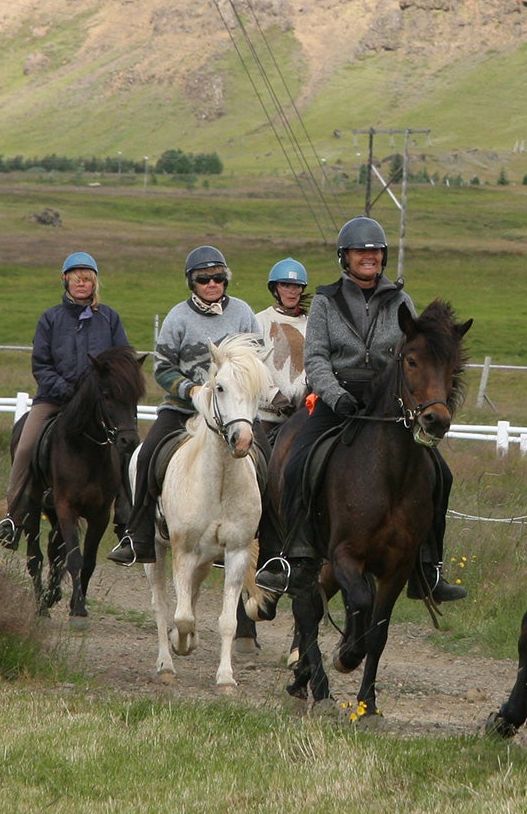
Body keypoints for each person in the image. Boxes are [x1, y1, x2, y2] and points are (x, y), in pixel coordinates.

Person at [253, 216, 467, 603]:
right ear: (345, 257)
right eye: (360, 251)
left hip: (388, 402)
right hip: (337, 397)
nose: (369, 257)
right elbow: (316, 358)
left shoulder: (401, 301)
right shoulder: (325, 300)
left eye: (375, 251)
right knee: (297, 463)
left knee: (441, 473)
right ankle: (293, 558)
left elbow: (414, 353)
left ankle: (429, 569)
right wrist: (335, 394)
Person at [110, 245, 260, 566]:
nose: (212, 284)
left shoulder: (244, 313)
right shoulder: (177, 317)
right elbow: (162, 367)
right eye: (204, 279)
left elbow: (256, 361)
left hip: (234, 411)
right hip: (183, 408)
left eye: (218, 277)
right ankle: (138, 537)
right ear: (192, 282)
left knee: (270, 462)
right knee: (147, 456)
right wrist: (190, 390)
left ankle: (273, 549)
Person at [0, 252, 132, 548]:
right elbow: (41, 365)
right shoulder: (50, 319)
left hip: (98, 405)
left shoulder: (109, 318)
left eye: (87, 278)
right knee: (25, 446)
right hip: (54, 399)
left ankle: (128, 522)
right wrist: (66, 389)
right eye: (76, 277)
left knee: (127, 443)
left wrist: (105, 389)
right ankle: (13, 516)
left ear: (95, 282)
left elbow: (123, 359)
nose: (82, 282)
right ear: (65, 280)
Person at [256, 257, 311, 430]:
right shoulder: (259, 322)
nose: (292, 292)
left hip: (304, 416)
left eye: (297, 286)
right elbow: (252, 368)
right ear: (275, 289)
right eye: (285, 285)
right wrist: (274, 396)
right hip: (267, 415)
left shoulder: (312, 324)